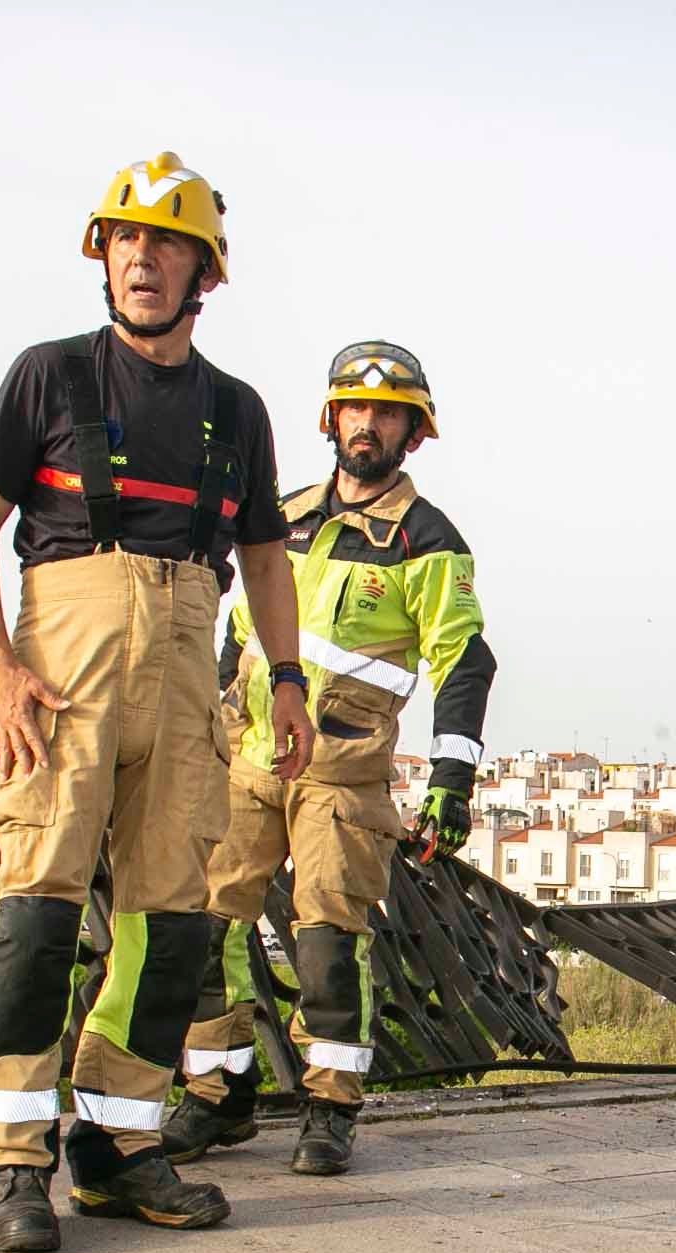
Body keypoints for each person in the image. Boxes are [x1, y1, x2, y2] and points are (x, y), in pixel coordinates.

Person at [0, 152, 313, 1253]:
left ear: (206, 271)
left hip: (191, 663)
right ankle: (12, 1160)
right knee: (41, 909)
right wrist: (0, 667)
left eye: (166, 244)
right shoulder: (48, 376)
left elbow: (264, 556)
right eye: (125, 240)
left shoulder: (235, 410)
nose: (142, 259)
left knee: (171, 924)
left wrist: (284, 680)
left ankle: (115, 1149)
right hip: (65, 664)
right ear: (101, 256)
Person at [164, 340, 495, 1175]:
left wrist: (453, 779)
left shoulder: (428, 539)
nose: (367, 424)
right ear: (331, 418)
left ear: (411, 434)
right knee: (206, 925)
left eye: (387, 413)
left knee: (325, 939)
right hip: (248, 754)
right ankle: (216, 1092)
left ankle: (329, 1105)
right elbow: (239, 629)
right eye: (355, 408)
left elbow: (464, 661)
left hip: (343, 772)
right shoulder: (285, 513)